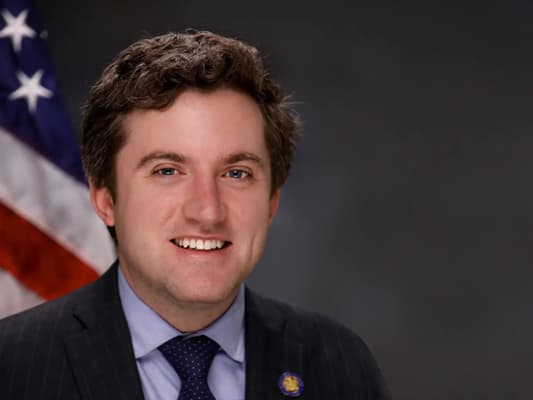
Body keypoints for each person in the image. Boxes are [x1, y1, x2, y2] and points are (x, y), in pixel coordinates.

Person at [0, 30, 391, 400]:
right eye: (168, 171)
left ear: (271, 201)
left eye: (236, 174)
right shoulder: (14, 366)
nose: (208, 211)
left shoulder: (337, 365)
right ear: (105, 199)